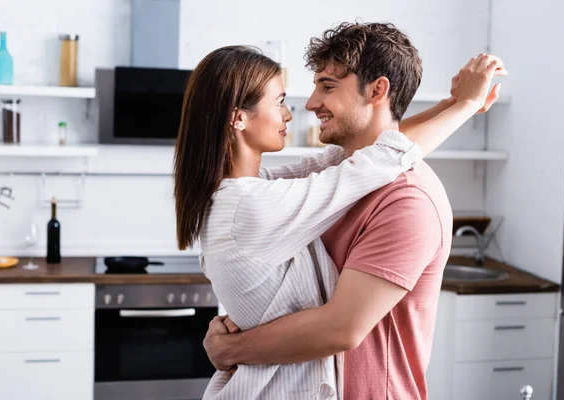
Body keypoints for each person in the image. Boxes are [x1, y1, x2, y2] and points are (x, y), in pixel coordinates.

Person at [177, 24, 505, 400]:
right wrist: (464, 106)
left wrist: (458, 105)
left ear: (378, 90)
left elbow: (342, 329)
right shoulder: (259, 201)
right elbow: (379, 156)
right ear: (239, 118)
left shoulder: (406, 200)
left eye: (327, 87)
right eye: (280, 100)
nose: (308, 104)